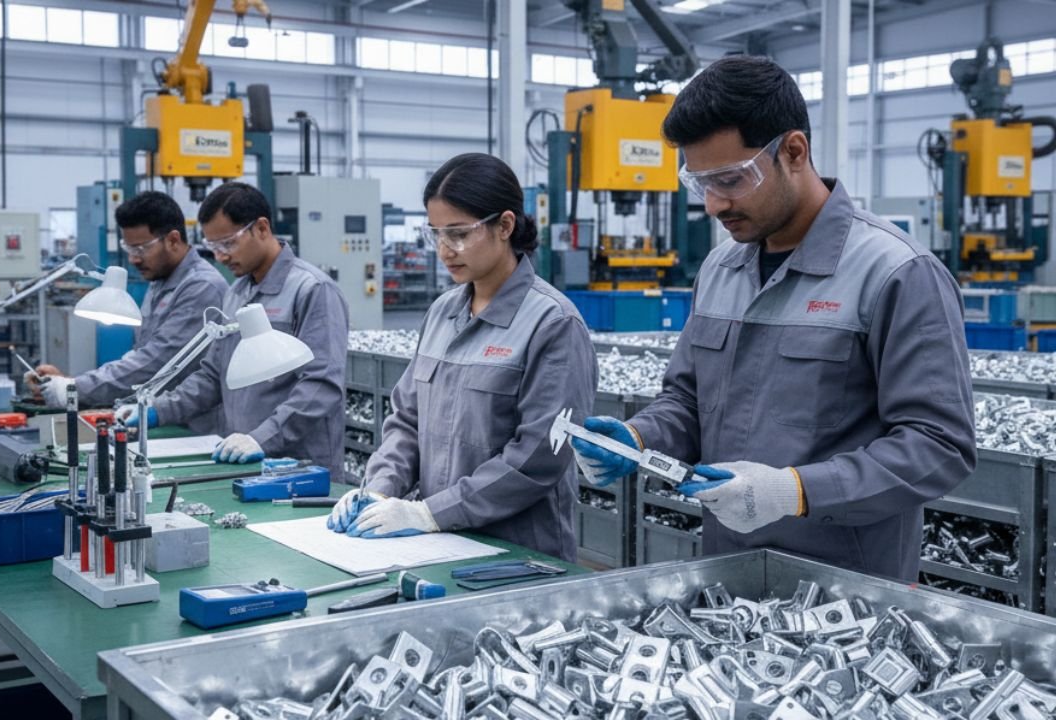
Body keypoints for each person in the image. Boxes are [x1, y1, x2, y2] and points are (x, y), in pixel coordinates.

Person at [572, 56, 976, 581]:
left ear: (793, 151)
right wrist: (640, 437)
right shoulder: (720, 268)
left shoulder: (896, 272)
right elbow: (689, 401)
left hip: (845, 590)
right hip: (727, 575)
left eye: (731, 180)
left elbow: (938, 446)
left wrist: (796, 491)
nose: (714, 205)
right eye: (699, 184)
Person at [326, 153, 597, 561]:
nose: (444, 250)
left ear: (504, 226)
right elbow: (407, 420)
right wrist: (380, 489)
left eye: (458, 234)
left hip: (518, 555)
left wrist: (432, 513)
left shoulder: (552, 323)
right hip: (438, 545)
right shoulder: (442, 313)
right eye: (435, 234)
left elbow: (538, 456)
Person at [122, 181, 349, 478]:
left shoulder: (312, 290)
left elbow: (321, 385)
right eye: (213, 247)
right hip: (240, 459)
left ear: (262, 228)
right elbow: (213, 376)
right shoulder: (236, 293)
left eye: (228, 244)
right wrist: (157, 410)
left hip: (300, 468)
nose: (220, 257)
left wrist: (261, 438)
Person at [28, 191, 228, 409]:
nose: (133, 259)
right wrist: (70, 381)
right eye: (128, 248)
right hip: (155, 413)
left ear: (172, 240)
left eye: (141, 249)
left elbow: (155, 364)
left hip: (192, 423)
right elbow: (141, 355)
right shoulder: (160, 280)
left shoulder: (201, 287)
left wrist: (74, 388)